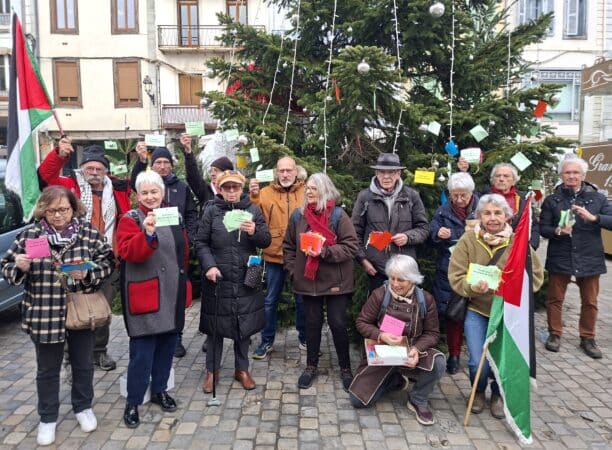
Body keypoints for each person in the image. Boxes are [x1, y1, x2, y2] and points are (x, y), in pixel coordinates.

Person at [1, 186, 115, 446]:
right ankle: (48, 417)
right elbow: (7, 267)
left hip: (80, 309)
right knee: (47, 369)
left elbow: (108, 261)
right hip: (44, 312)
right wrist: (19, 266)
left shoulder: (87, 233)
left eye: (63, 209)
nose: (58, 215)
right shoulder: (31, 235)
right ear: (43, 210)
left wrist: (88, 273)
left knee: (83, 363)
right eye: (51, 210)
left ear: (73, 209)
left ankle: (83, 407)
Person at [38, 138, 131, 372]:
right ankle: (71, 356)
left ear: (105, 171)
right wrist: (59, 154)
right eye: (90, 168)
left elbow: (141, 185)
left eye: (99, 169)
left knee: (102, 307)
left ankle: (99, 352)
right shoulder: (68, 185)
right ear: (82, 169)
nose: (94, 173)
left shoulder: (116, 188)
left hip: (104, 259)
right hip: (73, 260)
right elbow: (45, 177)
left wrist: (141, 160)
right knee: (73, 308)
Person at [448, 194, 543, 419]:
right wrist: (472, 287)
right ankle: (478, 391)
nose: (492, 218)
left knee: (502, 360)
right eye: (487, 213)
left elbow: (536, 277)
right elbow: (455, 275)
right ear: (480, 216)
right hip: (477, 309)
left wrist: (510, 287)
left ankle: (498, 395)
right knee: (475, 361)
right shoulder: (468, 240)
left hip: (507, 313)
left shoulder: (518, 243)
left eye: (498, 213)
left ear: (507, 216)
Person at [116, 170, 189, 428]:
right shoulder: (130, 219)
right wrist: (146, 234)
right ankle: (133, 400)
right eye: (144, 192)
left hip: (170, 292)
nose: (150, 197)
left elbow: (182, 252)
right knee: (142, 354)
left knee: (167, 347)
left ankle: (159, 390)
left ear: (162, 192)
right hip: (144, 294)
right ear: (137, 196)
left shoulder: (173, 216)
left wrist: (184, 283)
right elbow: (127, 252)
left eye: (154, 191)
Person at [196, 170, 271, 393]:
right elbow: (200, 242)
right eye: (226, 187)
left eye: (235, 187)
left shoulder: (252, 210)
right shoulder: (211, 211)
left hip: (245, 276)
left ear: (241, 189)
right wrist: (209, 265)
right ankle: (212, 371)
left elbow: (266, 240)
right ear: (220, 189)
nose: (231, 191)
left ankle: (242, 369)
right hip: (218, 277)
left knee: (243, 325)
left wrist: (254, 231)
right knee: (215, 327)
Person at [348, 255, 445, 425]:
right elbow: (362, 322)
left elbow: (432, 333)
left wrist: (416, 349)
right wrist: (381, 335)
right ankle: (395, 380)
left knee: (438, 362)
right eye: (392, 278)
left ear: (412, 279)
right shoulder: (380, 294)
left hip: (411, 352)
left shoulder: (426, 299)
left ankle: (418, 399)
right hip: (383, 352)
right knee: (358, 401)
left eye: (401, 280)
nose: (395, 283)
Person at [284, 173, 358, 391]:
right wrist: (294, 271)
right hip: (308, 281)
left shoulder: (338, 215)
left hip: (336, 280)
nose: (309, 192)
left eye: (314, 189)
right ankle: (311, 366)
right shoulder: (298, 216)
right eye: (307, 188)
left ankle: (345, 368)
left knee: (338, 323)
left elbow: (351, 246)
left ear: (325, 191)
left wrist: (324, 252)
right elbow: (288, 246)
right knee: (312, 324)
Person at [540, 155, 612, 359]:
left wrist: (594, 218)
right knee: (555, 299)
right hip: (560, 255)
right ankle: (554, 334)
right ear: (561, 175)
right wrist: (557, 231)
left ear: (583, 175)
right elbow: (543, 228)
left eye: (575, 172)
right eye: (567, 172)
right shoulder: (552, 200)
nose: (571, 176)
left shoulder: (598, 199)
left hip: (589, 256)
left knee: (590, 301)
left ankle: (587, 337)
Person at [132, 142, 199, 357]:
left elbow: (191, 213)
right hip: (153, 246)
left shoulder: (181, 187)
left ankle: (176, 336)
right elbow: (134, 183)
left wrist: (190, 236)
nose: (162, 166)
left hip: (177, 246)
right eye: (158, 162)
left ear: (171, 165)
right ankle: (157, 333)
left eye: (166, 162)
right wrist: (140, 159)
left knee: (176, 292)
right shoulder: (147, 187)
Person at [249, 156, 307, 359]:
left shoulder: (306, 191)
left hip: (300, 256)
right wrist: (254, 196)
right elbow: (254, 216)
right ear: (276, 172)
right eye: (281, 170)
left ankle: (305, 338)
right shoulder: (265, 193)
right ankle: (266, 341)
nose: (285, 174)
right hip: (273, 255)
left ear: (296, 171)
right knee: (270, 301)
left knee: (302, 300)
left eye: (288, 170)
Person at [352, 153, 429, 293]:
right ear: (376, 173)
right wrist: (363, 260)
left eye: (391, 172)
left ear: (398, 173)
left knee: (404, 304)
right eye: (382, 172)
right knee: (378, 304)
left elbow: (423, 228)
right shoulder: (365, 197)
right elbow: (354, 232)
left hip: (404, 269)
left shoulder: (411, 196)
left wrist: (408, 237)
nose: (386, 177)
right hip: (376, 269)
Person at [429, 172, 478, 375]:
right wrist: (437, 234)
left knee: (476, 313)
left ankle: (478, 355)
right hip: (450, 268)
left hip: (477, 268)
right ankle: (454, 354)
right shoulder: (443, 211)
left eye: (463, 195)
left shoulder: (482, 209)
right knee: (453, 313)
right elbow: (431, 232)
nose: (458, 199)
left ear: (471, 193)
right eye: (455, 195)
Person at [482, 163, 540, 249]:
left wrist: (531, 246)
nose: (501, 179)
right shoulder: (483, 199)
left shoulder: (523, 200)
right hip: (488, 247)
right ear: (493, 180)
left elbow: (533, 226)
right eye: (498, 176)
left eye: (506, 176)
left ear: (513, 181)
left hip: (518, 249)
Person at [179, 133, 234, 204]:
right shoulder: (205, 191)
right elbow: (193, 176)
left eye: (216, 171)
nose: (212, 174)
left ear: (226, 173)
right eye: (211, 171)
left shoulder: (235, 193)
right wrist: (188, 152)